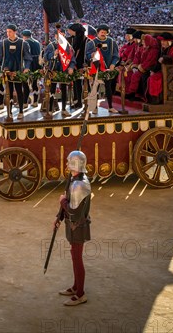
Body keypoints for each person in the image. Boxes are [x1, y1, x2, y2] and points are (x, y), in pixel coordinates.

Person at [55, 150, 91, 306]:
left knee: (77, 259)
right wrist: (59, 217)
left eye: (69, 162)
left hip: (78, 226)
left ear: (75, 164)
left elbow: (72, 209)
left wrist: (62, 202)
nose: (67, 164)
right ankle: (76, 287)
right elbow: (69, 202)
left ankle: (81, 294)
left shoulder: (79, 184)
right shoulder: (74, 179)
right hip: (73, 225)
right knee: (74, 256)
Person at [0, 24, 32, 119]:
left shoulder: (23, 43)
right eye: (7, 32)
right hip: (6, 71)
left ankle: (20, 111)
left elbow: (28, 57)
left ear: (15, 32)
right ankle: (9, 112)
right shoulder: (2, 43)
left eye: (10, 31)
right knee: (9, 91)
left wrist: (27, 67)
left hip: (18, 71)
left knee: (19, 91)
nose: (8, 33)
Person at [85, 25, 119, 113]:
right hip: (96, 69)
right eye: (102, 32)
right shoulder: (91, 43)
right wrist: (91, 55)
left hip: (108, 69)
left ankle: (110, 107)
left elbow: (116, 55)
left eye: (105, 32)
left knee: (109, 88)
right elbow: (87, 55)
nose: (103, 34)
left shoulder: (112, 42)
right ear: (98, 32)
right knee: (95, 88)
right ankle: (94, 107)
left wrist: (113, 64)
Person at [147, 32, 173, 104]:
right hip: (162, 70)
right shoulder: (163, 49)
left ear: (169, 41)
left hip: (171, 72)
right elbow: (158, 61)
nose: (162, 43)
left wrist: (165, 58)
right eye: (161, 41)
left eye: (164, 41)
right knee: (149, 77)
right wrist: (153, 70)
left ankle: (157, 100)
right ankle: (153, 98)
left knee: (154, 79)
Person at [21, 29, 42, 107]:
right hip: (37, 64)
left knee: (25, 83)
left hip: (28, 64)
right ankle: (35, 101)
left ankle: (25, 102)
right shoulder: (37, 42)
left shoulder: (25, 42)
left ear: (24, 36)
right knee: (35, 83)